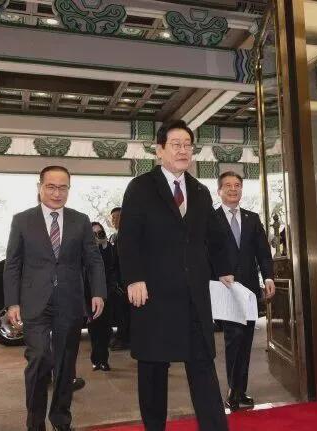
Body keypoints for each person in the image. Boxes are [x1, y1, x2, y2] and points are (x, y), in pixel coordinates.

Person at [118, 120, 233, 431]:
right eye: (176, 145)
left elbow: (214, 238)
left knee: (203, 367)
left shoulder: (200, 191)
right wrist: (134, 278)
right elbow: (128, 239)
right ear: (159, 150)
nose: (183, 150)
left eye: (187, 145)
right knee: (153, 370)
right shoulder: (141, 188)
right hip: (154, 294)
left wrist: (224, 271)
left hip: (194, 297)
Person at [4, 165, 106, 431]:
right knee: (39, 358)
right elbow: (13, 263)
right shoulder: (22, 220)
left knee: (65, 363)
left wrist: (98, 292)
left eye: (63, 188)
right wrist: (12, 302)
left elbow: (93, 260)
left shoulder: (80, 220)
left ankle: (61, 419)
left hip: (69, 301)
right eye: (51, 187)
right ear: (39, 187)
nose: (57, 193)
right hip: (35, 301)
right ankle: (35, 423)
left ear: (69, 189)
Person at [215, 171, 276, 411]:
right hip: (225, 288)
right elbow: (205, 252)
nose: (233, 189)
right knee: (234, 338)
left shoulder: (252, 218)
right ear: (219, 191)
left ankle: (240, 390)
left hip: (249, 289)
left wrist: (268, 277)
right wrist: (218, 272)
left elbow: (263, 252)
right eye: (228, 185)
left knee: (246, 339)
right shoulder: (211, 219)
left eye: (237, 185)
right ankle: (233, 390)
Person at [86, 222, 117, 371]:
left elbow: (111, 265)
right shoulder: (85, 250)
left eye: (100, 232)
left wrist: (104, 244)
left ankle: (104, 360)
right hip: (90, 295)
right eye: (94, 234)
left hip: (107, 295)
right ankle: (95, 359)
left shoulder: (108, 249)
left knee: (105, 329)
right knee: (94, 329)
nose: (98, 236)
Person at [107, 207, 129, 351]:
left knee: (126, 312)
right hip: (116, 282)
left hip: (126, 282)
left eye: (118, 217)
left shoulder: (128, 236)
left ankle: (125, 339)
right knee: (120, 311)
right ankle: (121, 336)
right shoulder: (114, 237)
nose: (115, 220)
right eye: (113, 218)